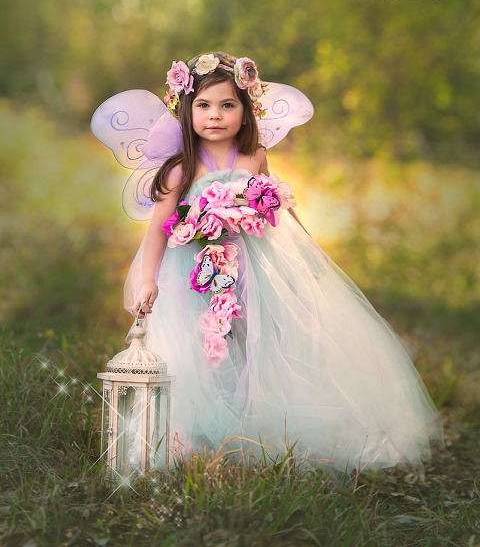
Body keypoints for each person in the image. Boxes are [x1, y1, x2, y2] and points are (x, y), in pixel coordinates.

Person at [91, 51, 444, 472]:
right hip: (195, 271)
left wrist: (307, 250)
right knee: (203, 344)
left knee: (255, 336)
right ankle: (201, 428)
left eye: (227, 105)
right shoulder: (178, 170)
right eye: (203, 106)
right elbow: (157, 230)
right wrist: (148, 279)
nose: (215, 116)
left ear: (246, 110)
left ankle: (253, 416)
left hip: (252, 264)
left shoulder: (253, 154)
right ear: (186, 111)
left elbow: (273, 203)